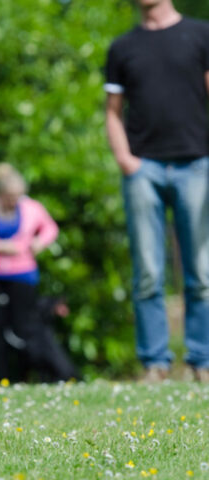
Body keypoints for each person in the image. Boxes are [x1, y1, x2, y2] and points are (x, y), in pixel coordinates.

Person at [105, 0, 209, 383]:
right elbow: (113, 111)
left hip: (196, 165)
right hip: (143, 169)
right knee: (148, 271)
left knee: (200, 270)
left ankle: (202, 360)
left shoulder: (201, 34)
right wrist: (126, 161)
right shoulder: (122, 47)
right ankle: (155, 363)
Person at [0, 163, 59, 381]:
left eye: (17, 196)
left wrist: (38, 243)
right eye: (10, 196)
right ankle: (3, 377)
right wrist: (3, 247)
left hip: (23, 275)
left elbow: (51, 228)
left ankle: (26, 376)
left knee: (24, 328)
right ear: (0, 193)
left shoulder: (31, 208)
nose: (14, 200)